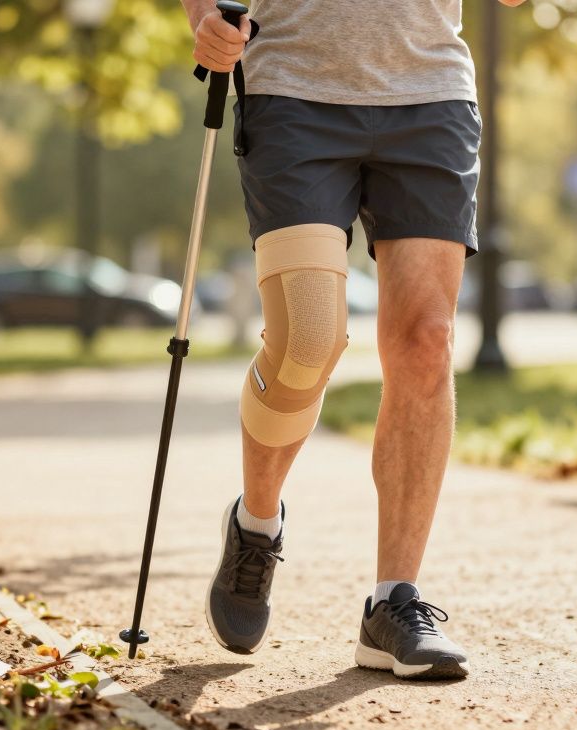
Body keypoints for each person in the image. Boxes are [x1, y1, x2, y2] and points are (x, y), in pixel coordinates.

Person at [182, 0, 528, 680]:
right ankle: (257, 524)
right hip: (292, 88)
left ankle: (392, 603)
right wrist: (202, 12)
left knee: (427, 339)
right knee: (307, 338)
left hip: (430, 92)